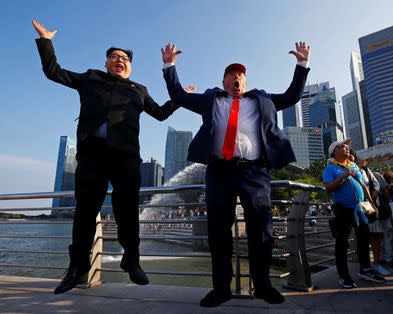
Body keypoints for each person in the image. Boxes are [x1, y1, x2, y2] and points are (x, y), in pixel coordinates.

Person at [32, 20, 189, 294]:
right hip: (91, 157)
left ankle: (132, 259)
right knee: (83, 216)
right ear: (106, 63)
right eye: (115, 57)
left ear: (131, 67)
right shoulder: (90, 78)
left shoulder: (139, 90)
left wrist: (180, 98)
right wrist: (46, 41)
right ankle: (76, 268)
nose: (120, 60)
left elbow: (161, 114)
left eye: (125, 58)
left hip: (126, 159)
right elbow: (53, 72)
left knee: (127, 213)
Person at [161, 42, 310, 307]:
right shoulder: (210, 98)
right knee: (218, 232)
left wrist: (302, 65)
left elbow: (292, 96)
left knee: (261, 230)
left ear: (245, 80)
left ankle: (262, 285)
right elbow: (180, 96)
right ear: (224, 80)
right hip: (219, 171)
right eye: (231, 74)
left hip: (255, 172)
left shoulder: (262, 99)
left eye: (240, 74)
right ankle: (221, 289)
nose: (236, 77)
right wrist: (170, 66)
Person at [323, 139, 385, 289]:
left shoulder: (353, 165)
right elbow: (329, 188)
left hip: (360, 208)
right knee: (342, 242)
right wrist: (343, 176)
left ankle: (365, 269)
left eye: (346, 146)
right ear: (334, 151)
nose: (346, 148)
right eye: (341, 146)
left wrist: (372, 204)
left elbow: (363, 185)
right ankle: (343, 275)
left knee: (363, 238)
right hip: (342, 208)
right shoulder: (330, 168)